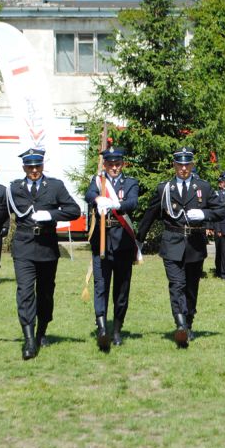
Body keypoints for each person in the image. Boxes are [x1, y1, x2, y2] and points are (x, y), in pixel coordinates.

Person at [136, 148, 225, 348]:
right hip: (172, 242)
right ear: (174, 166)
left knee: (191, 288)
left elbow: (221, 210)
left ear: (192, 166)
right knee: (176, 285)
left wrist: (204, 215)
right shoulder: (165, 189)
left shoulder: (202, 186)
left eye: (187, 165)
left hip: (194, 243)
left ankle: (189, 322)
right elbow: (150, 215)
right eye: (180, 165)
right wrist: (138, 241)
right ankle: (180, 325)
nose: (183, 169)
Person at [7, 148, 81, 360]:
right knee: (25, 291)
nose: (34, 170)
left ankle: (41, 332)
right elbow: (2, 210)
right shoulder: (14, 188)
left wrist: (50, 214)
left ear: (42, 166)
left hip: (47, 246)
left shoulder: (55, 186)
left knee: (46, 292)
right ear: (24, 168)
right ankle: (29, 339)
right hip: (23, 246)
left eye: (37, 166)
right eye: (30, 167)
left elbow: (74, 210)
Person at [84, 146, 139, 350]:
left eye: (117, 164)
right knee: (101, 287)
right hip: (102, 241)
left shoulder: (130, 182)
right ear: (105, 165)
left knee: (121, 290)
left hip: (123, 241)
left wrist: (117, 206)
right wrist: (98, 198)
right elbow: (88, 194)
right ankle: (102, 329)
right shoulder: (98, 181)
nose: (114, 168)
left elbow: (133, 202)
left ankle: (116, 329)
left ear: (122, 164)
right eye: (110, 164)